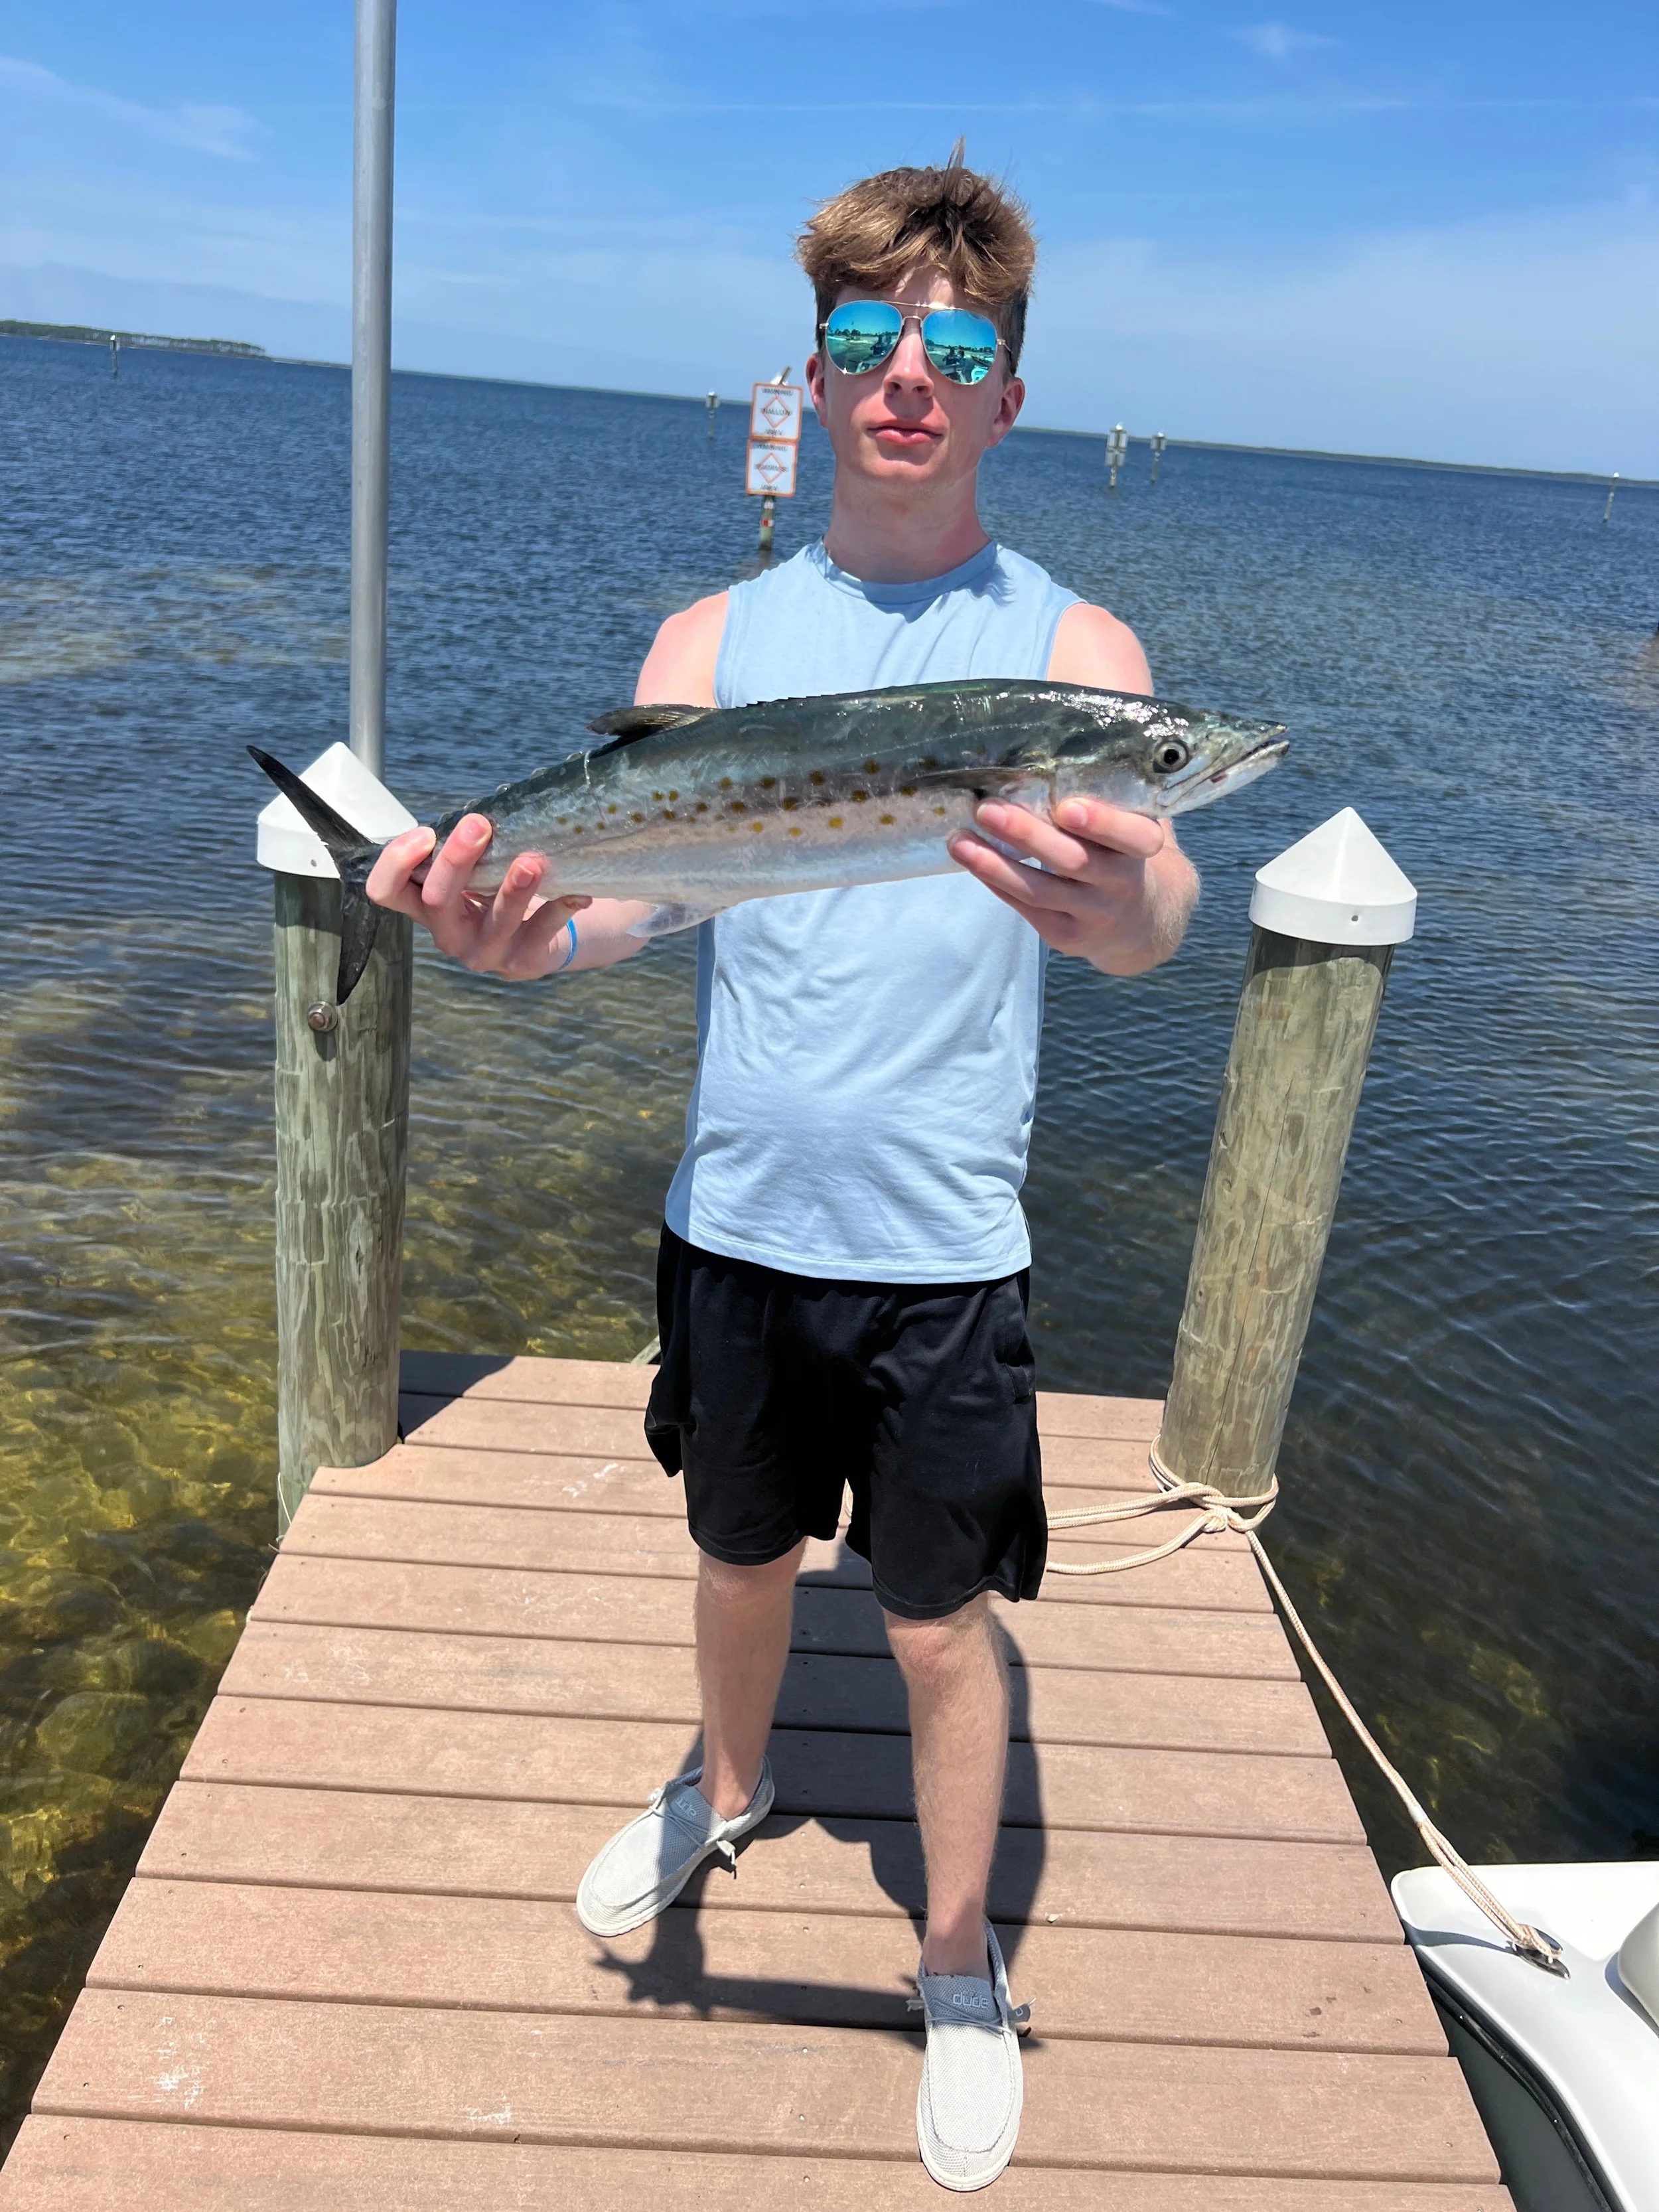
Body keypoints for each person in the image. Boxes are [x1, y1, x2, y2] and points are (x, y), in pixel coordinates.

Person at [368, 149, 1198, 2193]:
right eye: (862, 338)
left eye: (953, 346)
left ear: (1006, 396)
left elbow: (1151, 901)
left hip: (942, 1240)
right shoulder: (706, 639)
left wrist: (1117, 909)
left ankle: (954, 1961)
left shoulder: (1074, 650)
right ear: (812, 383)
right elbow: (624, 914)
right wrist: (511, 936)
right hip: (736, 1211)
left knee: (934, 1624)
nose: (905, 372)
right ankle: (719, 1789)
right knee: (736, 1557)